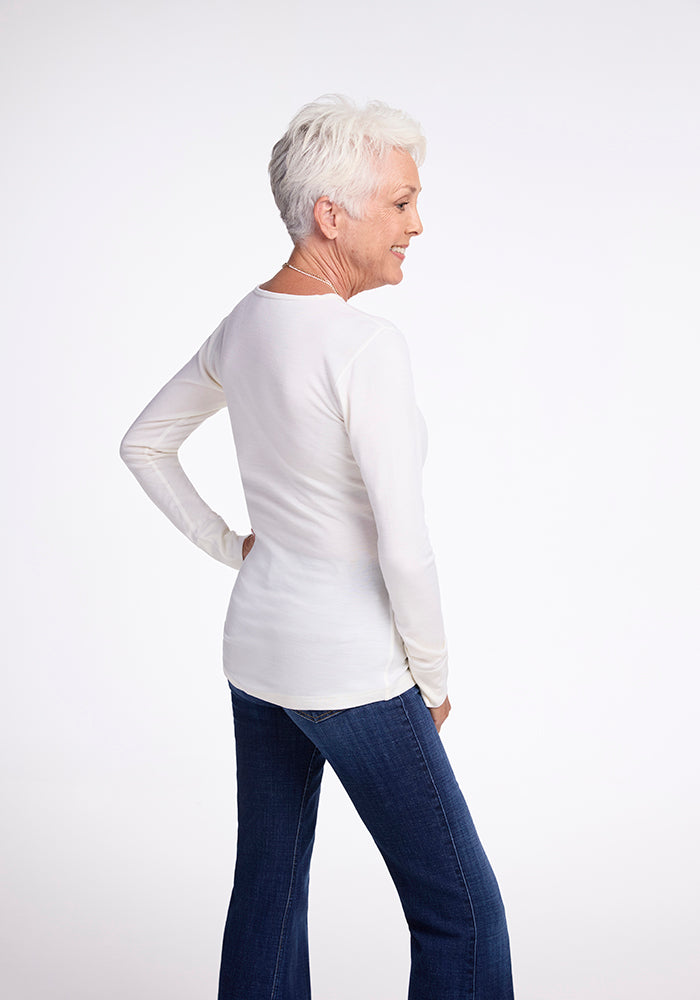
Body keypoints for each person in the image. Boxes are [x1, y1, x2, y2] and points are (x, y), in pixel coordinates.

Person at [120, 95, 514, 1000]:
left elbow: (145, 442)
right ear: (330, 216)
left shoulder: (247, 322)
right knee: (461, 912)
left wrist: (234, 548)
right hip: (354, 671)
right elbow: (405, 547)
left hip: (259, 654)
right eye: (401, 203)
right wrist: (436, 678)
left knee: (267, 890)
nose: (418, 224)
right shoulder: (362, 345)